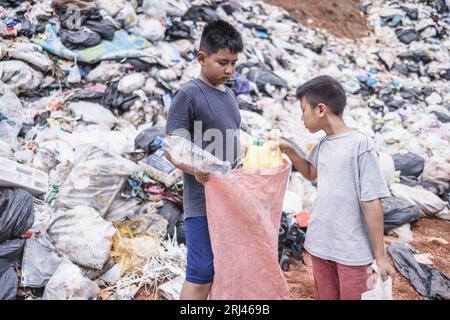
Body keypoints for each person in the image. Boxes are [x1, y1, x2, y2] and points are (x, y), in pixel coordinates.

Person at [276, 75, 395, 300]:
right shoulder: (324, 143)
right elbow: (311, 172)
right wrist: (290, 150)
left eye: (303, 110)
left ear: (321, 109)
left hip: (351, 249)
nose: (302, 117)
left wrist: (380, 255)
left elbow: (371, 200)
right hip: (321, 244)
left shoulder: (360, 144)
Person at [165, 20, 243, 300]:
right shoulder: (189, 94)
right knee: (200, 275)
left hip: (230, 201)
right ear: (202, 58)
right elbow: (172, 147)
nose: (230, 70)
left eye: (234, 63)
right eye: (223, 62)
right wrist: (194, 169)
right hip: (201, 202)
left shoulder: (231, 96)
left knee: (225, 269)